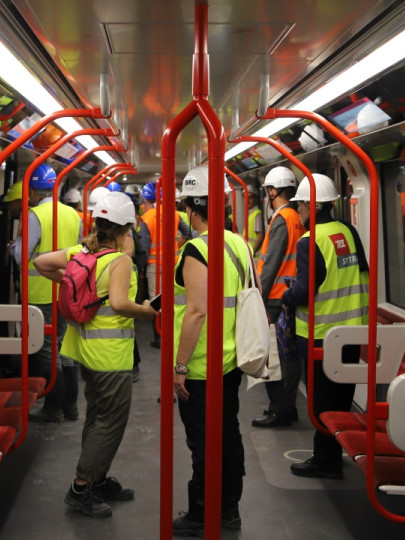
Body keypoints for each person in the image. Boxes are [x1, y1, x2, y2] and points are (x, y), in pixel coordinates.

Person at [33, 192, 157, 518]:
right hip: (110, 356)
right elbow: (118, 303)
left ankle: (96, 480)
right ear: (123, 230)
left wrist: (72, 284)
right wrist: (146, 311)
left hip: (84, 351)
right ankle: (80, 488)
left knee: (97, 417)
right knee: (110, 422)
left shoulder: (82, 252)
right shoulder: (119, 261)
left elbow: (40, 263)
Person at [171, 165, 248, 536]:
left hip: (201, 364)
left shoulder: (196, 249)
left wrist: (180, 367)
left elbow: (197, 311)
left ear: (192, 208)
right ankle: (229, 508)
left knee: (203, 442)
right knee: (227, 434)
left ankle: (202, 513)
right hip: (230, 359)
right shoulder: (238, 243)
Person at [283, 173, 369, 480]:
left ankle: (326, 460)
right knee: (341, 398)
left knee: (321, 402)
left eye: (301, 205)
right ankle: (334, 451)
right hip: (353, 330)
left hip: (321, 334)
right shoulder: (348, 231)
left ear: (311, 206)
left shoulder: (310, 240)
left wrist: (286, 295)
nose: (299, 211)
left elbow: (305, 291)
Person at [9, 163, 82, 423]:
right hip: (66, 288)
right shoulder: (73, 215)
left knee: (47, 350)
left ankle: (53, 408)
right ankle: (71, 407)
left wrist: (13, 246)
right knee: (65, 347)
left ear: (31, 191)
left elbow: (21, 256)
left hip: (41, 292)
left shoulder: (35, 216)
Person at [252, 166, 305, 428]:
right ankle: (287, 407)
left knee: (272, 355)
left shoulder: (282, 219)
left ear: (273, 191)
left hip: (274, 297)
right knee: (287, 354)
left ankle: (279, 409)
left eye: (268, 190)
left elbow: (271, 263)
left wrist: (257, 298)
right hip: (288, 294)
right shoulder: (296, 217)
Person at [137, 179, 192, 348]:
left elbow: (144, 248)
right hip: (173, 263)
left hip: (154, 266)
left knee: (156, 300)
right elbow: (188, 233)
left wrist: (141, 268)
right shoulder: (174, 214)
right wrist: (176, 246)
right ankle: (174, 333)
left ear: (147, 201)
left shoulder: (146, 218)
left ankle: (159, 337)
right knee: (173, 298)